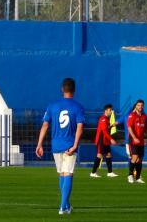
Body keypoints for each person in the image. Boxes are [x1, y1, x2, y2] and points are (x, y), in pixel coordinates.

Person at [36, 77, 84, 215]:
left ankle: (67, 205)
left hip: (56, 145)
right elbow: (80, 127)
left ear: (62, 89)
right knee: (68, 173)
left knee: (62, 174)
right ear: (74, 90)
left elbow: (45, 125)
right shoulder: (78, 106)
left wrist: (39, 144)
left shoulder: (52, 105)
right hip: (69, 145)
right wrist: (75, 145)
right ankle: (63, 207)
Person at [126, 99, 147, 184]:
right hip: (133, 140)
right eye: (138, 105)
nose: (140, 107)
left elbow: (146, 128)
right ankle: (130, 175)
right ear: (136, 106)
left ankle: (138, 177)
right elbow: (129, 127)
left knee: (140, 159)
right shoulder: (132, 115)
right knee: (134, 157)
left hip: (141, 141)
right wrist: (134, 137)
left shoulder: (144, 116)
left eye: (141, 105)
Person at [90, 104, 118, 178]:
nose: (111, 111)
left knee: (108, 155)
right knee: (99, 155)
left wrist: (112, 125)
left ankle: (110, 172)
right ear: (105, 111)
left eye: (111, 110)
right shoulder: (103, 119)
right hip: (101, 140)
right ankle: (93, 172)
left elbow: (106, 128)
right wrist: (111, 139)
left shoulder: (106, 119)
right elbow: (104, 131)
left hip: (105, 140)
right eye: (110, 110)